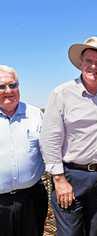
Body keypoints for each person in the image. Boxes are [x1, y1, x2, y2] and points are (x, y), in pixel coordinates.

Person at [40, 36, 97, 236]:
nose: (93, 66)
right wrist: (59, 180)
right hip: (72, 177)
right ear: (80, 63)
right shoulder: (61, 94)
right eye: (89, 61)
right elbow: (50, 138)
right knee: (70, 233)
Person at [0, 65, 48, 236]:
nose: (8, 91)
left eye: (13, 85)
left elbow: (49, 150)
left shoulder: (35, 114)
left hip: (32, 199)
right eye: (1, 86)